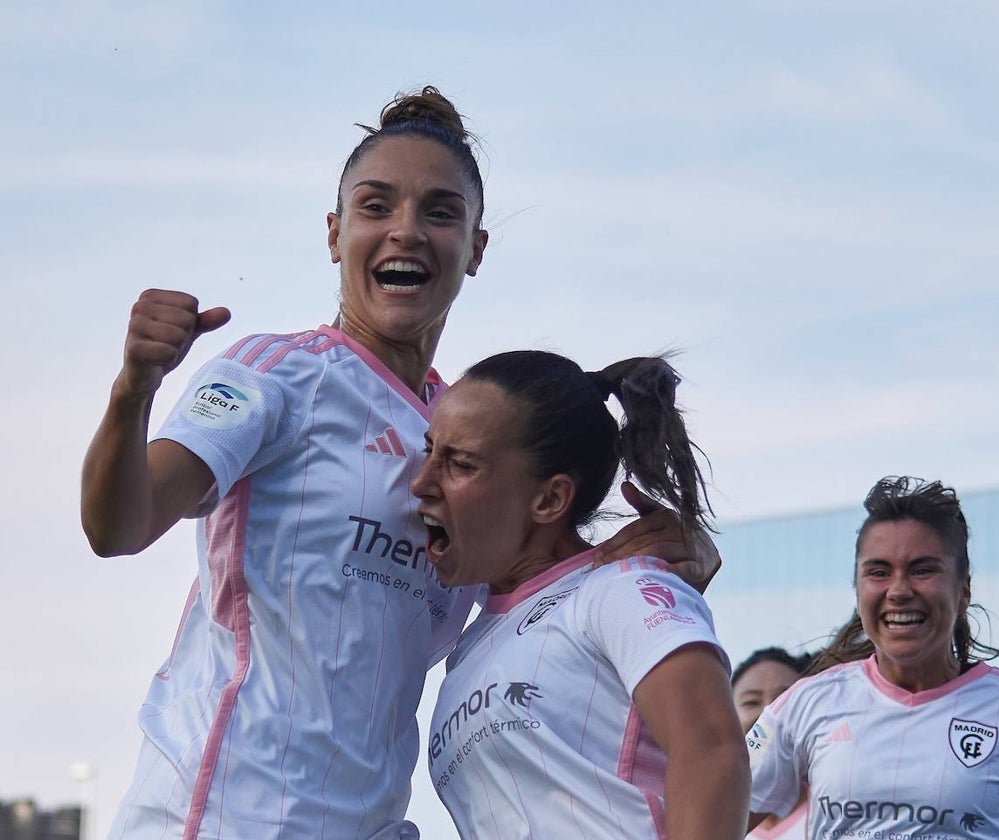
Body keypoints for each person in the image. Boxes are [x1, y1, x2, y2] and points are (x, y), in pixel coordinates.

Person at [80, 87, 718, 840]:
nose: (405, 232)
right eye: (376, 207)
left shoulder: (473, 431)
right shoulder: (274, 375)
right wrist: (133, 390)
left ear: (476, 248)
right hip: (223, 817)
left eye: (440, 212)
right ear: (334, 232)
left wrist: (663, 561)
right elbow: (120, 525)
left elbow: (543, 597)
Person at [416, 350, 750, 839]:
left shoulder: (622, 589)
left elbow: (712, 747)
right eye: (428, 451)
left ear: (549, 499)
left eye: (460, 464)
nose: (421, 482)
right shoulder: (469, 648)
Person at [746, 477, 999, 840]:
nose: (898, 590)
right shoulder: (806, 702)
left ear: (963, 590)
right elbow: (707, 817)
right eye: (878, 572)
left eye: (922, 570)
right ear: (858, 589)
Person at [732, 648, 812, 839]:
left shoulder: (839, 806)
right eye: (751, 702)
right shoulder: (708, 818)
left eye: (783, 699)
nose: (768, 713)